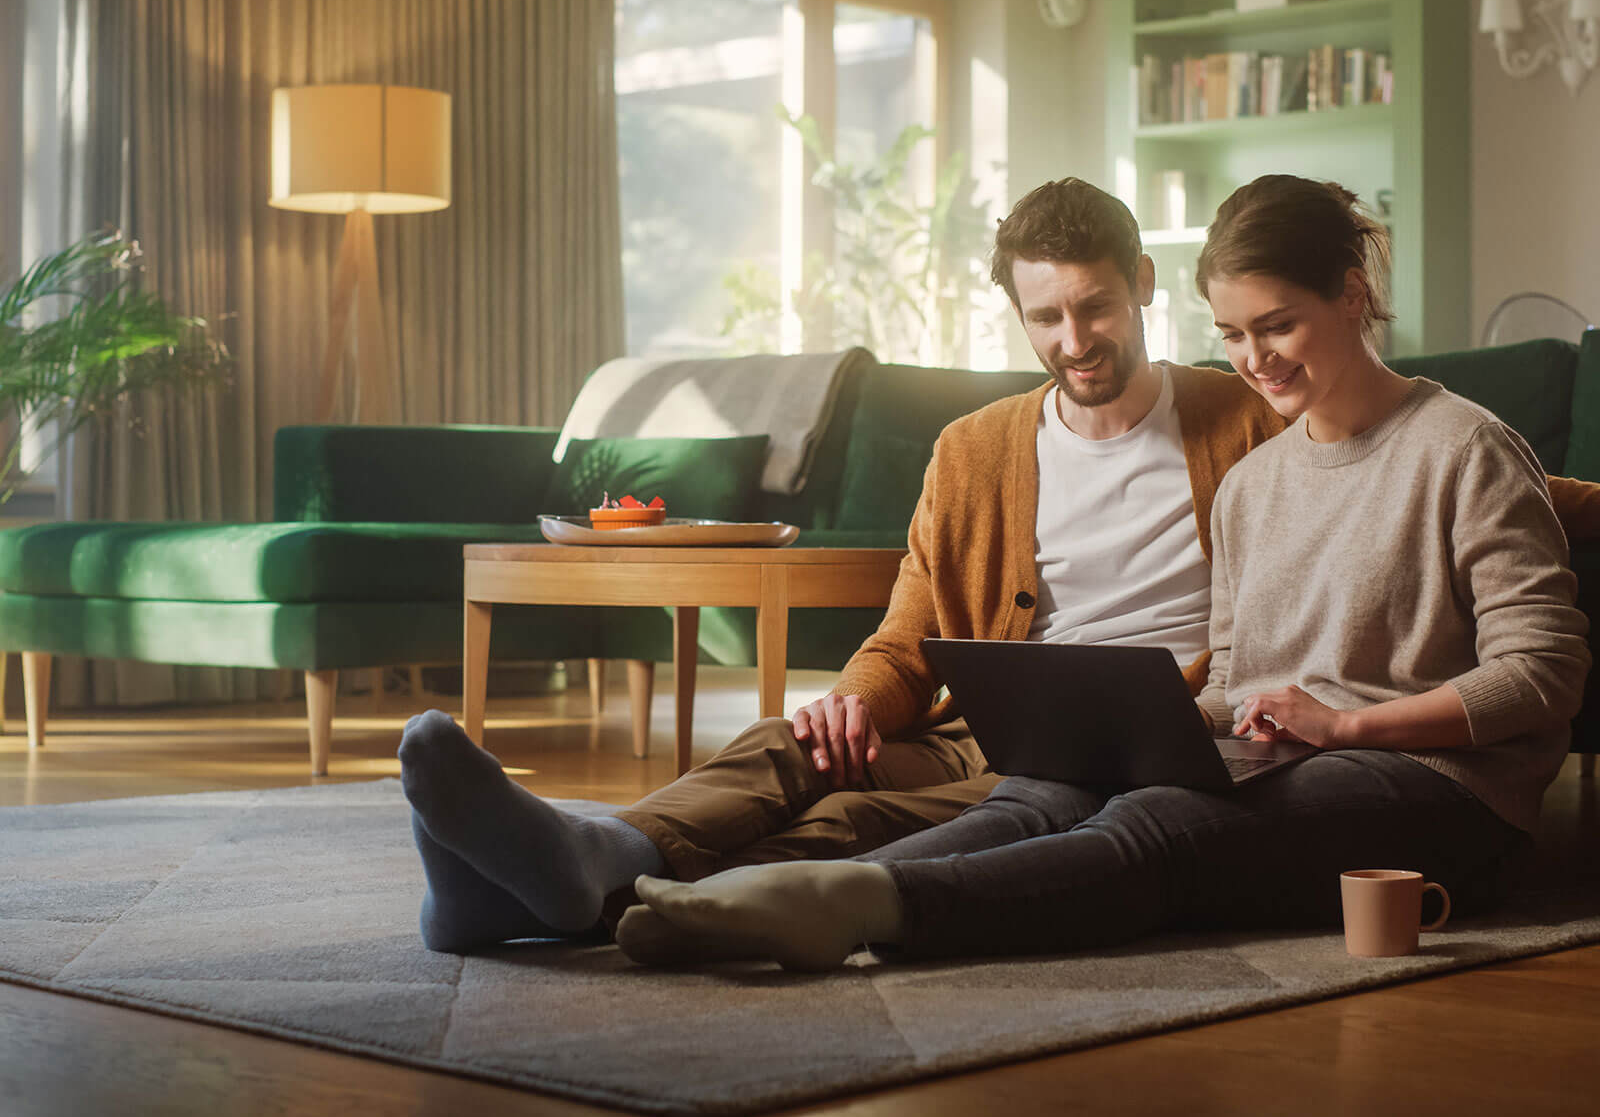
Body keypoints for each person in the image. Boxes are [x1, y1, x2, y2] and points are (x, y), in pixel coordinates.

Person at [396, 178, 1600, 955]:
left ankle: (731, 904)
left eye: (1097, 308)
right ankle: (584, 864)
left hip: (1262, 745)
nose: (1075, 340)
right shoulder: (1019, 453)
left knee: (1015, 816)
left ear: (1140, 296)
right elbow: (919, 629)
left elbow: (1468, 511)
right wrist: (856, 707)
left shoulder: (1266, 425)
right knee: (802, 750)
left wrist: (1324, 725)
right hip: (1047, 719)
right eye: (1045, 319)